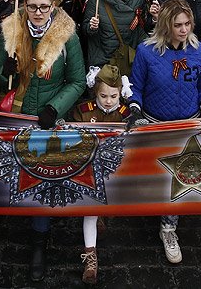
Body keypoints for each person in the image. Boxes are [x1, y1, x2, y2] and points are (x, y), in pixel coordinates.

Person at [0, 0, 85, 283]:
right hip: (15, 115)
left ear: (53, 7)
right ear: (25, 6)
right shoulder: (11, 30)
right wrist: (5, 70)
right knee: (15, 175)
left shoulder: (66, 35)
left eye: (45, 7)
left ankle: (39, 241)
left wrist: (55, 109)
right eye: (33, 7)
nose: (39, 13)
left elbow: (77, 81)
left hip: (47, 119)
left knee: (42, 178)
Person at [128, 0, 201, 263]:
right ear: (166, 25)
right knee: (153, 176)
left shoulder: (199, 51)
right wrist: (134, 109)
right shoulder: (146, 51)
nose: (184, 29)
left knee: (176, 179)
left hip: (187, 125)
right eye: (178, 25)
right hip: (155, 123)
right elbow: (136, 87)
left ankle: (169, 227)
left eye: (188, 23)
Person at [70, 64, 131, 284]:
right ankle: (91, 257)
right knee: (91, 211)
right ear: (95, 93)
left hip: (115, 171)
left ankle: (103, 217)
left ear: (120, 94)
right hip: (89, 171)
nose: (108, 101)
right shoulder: (83, 111)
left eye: (113, 96)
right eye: (103, 95)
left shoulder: (126, 114)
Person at [84, 0, 148, 74]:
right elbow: (85, 31)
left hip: (128, 58)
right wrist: (91, 27)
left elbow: (142, 28)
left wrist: (155, 18)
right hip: (103, 60)